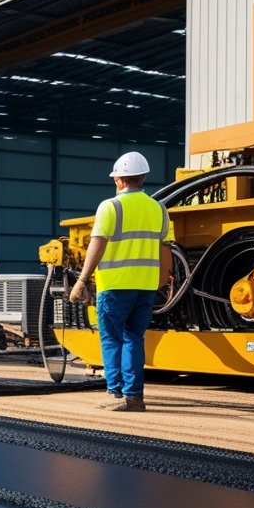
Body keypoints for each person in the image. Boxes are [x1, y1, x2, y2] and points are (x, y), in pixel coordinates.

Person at [69, 151, 173, 412]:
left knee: (111, 339)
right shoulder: (159, 209)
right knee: (134, 338)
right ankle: (135, 396)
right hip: (146, 286)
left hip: (115, 285)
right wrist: (161, 281)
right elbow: (165, 249)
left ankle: (115, 394)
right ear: (142, 178)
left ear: (119, 180)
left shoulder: (110, 207)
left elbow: (97, 245)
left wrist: (81, 280)